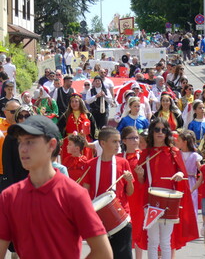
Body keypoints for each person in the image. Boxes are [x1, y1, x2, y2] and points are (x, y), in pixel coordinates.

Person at [0, 115, 113, 258]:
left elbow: (103, 253)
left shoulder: (74, 194)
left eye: (30, 142)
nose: (22, 149)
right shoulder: (9, 196)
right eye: (20, 142)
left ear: (52, 145)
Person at [136, 118, 198, 259]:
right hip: (151, 200)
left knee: (165, 241)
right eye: (157, 129)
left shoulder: (174, 152)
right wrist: (139, 175)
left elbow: (182, 173)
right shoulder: (146, 154)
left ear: (167, 133)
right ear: (152, 132)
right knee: (152, 241)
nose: (160, 132)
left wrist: (179, 173)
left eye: (163, 130)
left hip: (169, 202)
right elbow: (141, 181)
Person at [83, 127, 134, 259]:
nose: (118, 145)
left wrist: (129, 181)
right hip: (100, 219)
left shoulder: (123, 162)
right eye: (114, 142)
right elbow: (85, 191)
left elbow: (130, 192)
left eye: (119, 142)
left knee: (123, 255)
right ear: (103, 143)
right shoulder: (91, 164)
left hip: (121, 216)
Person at [120, 126, 144, 259]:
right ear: (124, 141)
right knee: (125, 230)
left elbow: (145, 181)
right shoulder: (118, 157)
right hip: (125, 198)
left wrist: (141, 176)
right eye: (131, 138)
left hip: (139, 197)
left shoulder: (142, 156)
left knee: (138, 230)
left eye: (136, 137)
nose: (135, 140)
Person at [57, 93, 97, 164]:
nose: (74, 103)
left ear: (80, 102)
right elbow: (57, 128)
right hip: (70, 142)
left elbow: (94, 130)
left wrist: (95, 143)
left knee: (86, 163)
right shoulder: (66, 116)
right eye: (72, 101)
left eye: (76, 101)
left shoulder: (88, 115)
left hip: (84, 142)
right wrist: (60, 141)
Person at [176, 130, 202, 217]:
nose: (176, 142)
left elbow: (202, 172)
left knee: (191, 204)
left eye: (178, 140)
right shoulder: (177, 154)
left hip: (190, 182)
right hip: (178, 181)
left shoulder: (195, 155)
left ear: (185, 142)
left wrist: (194, 188)